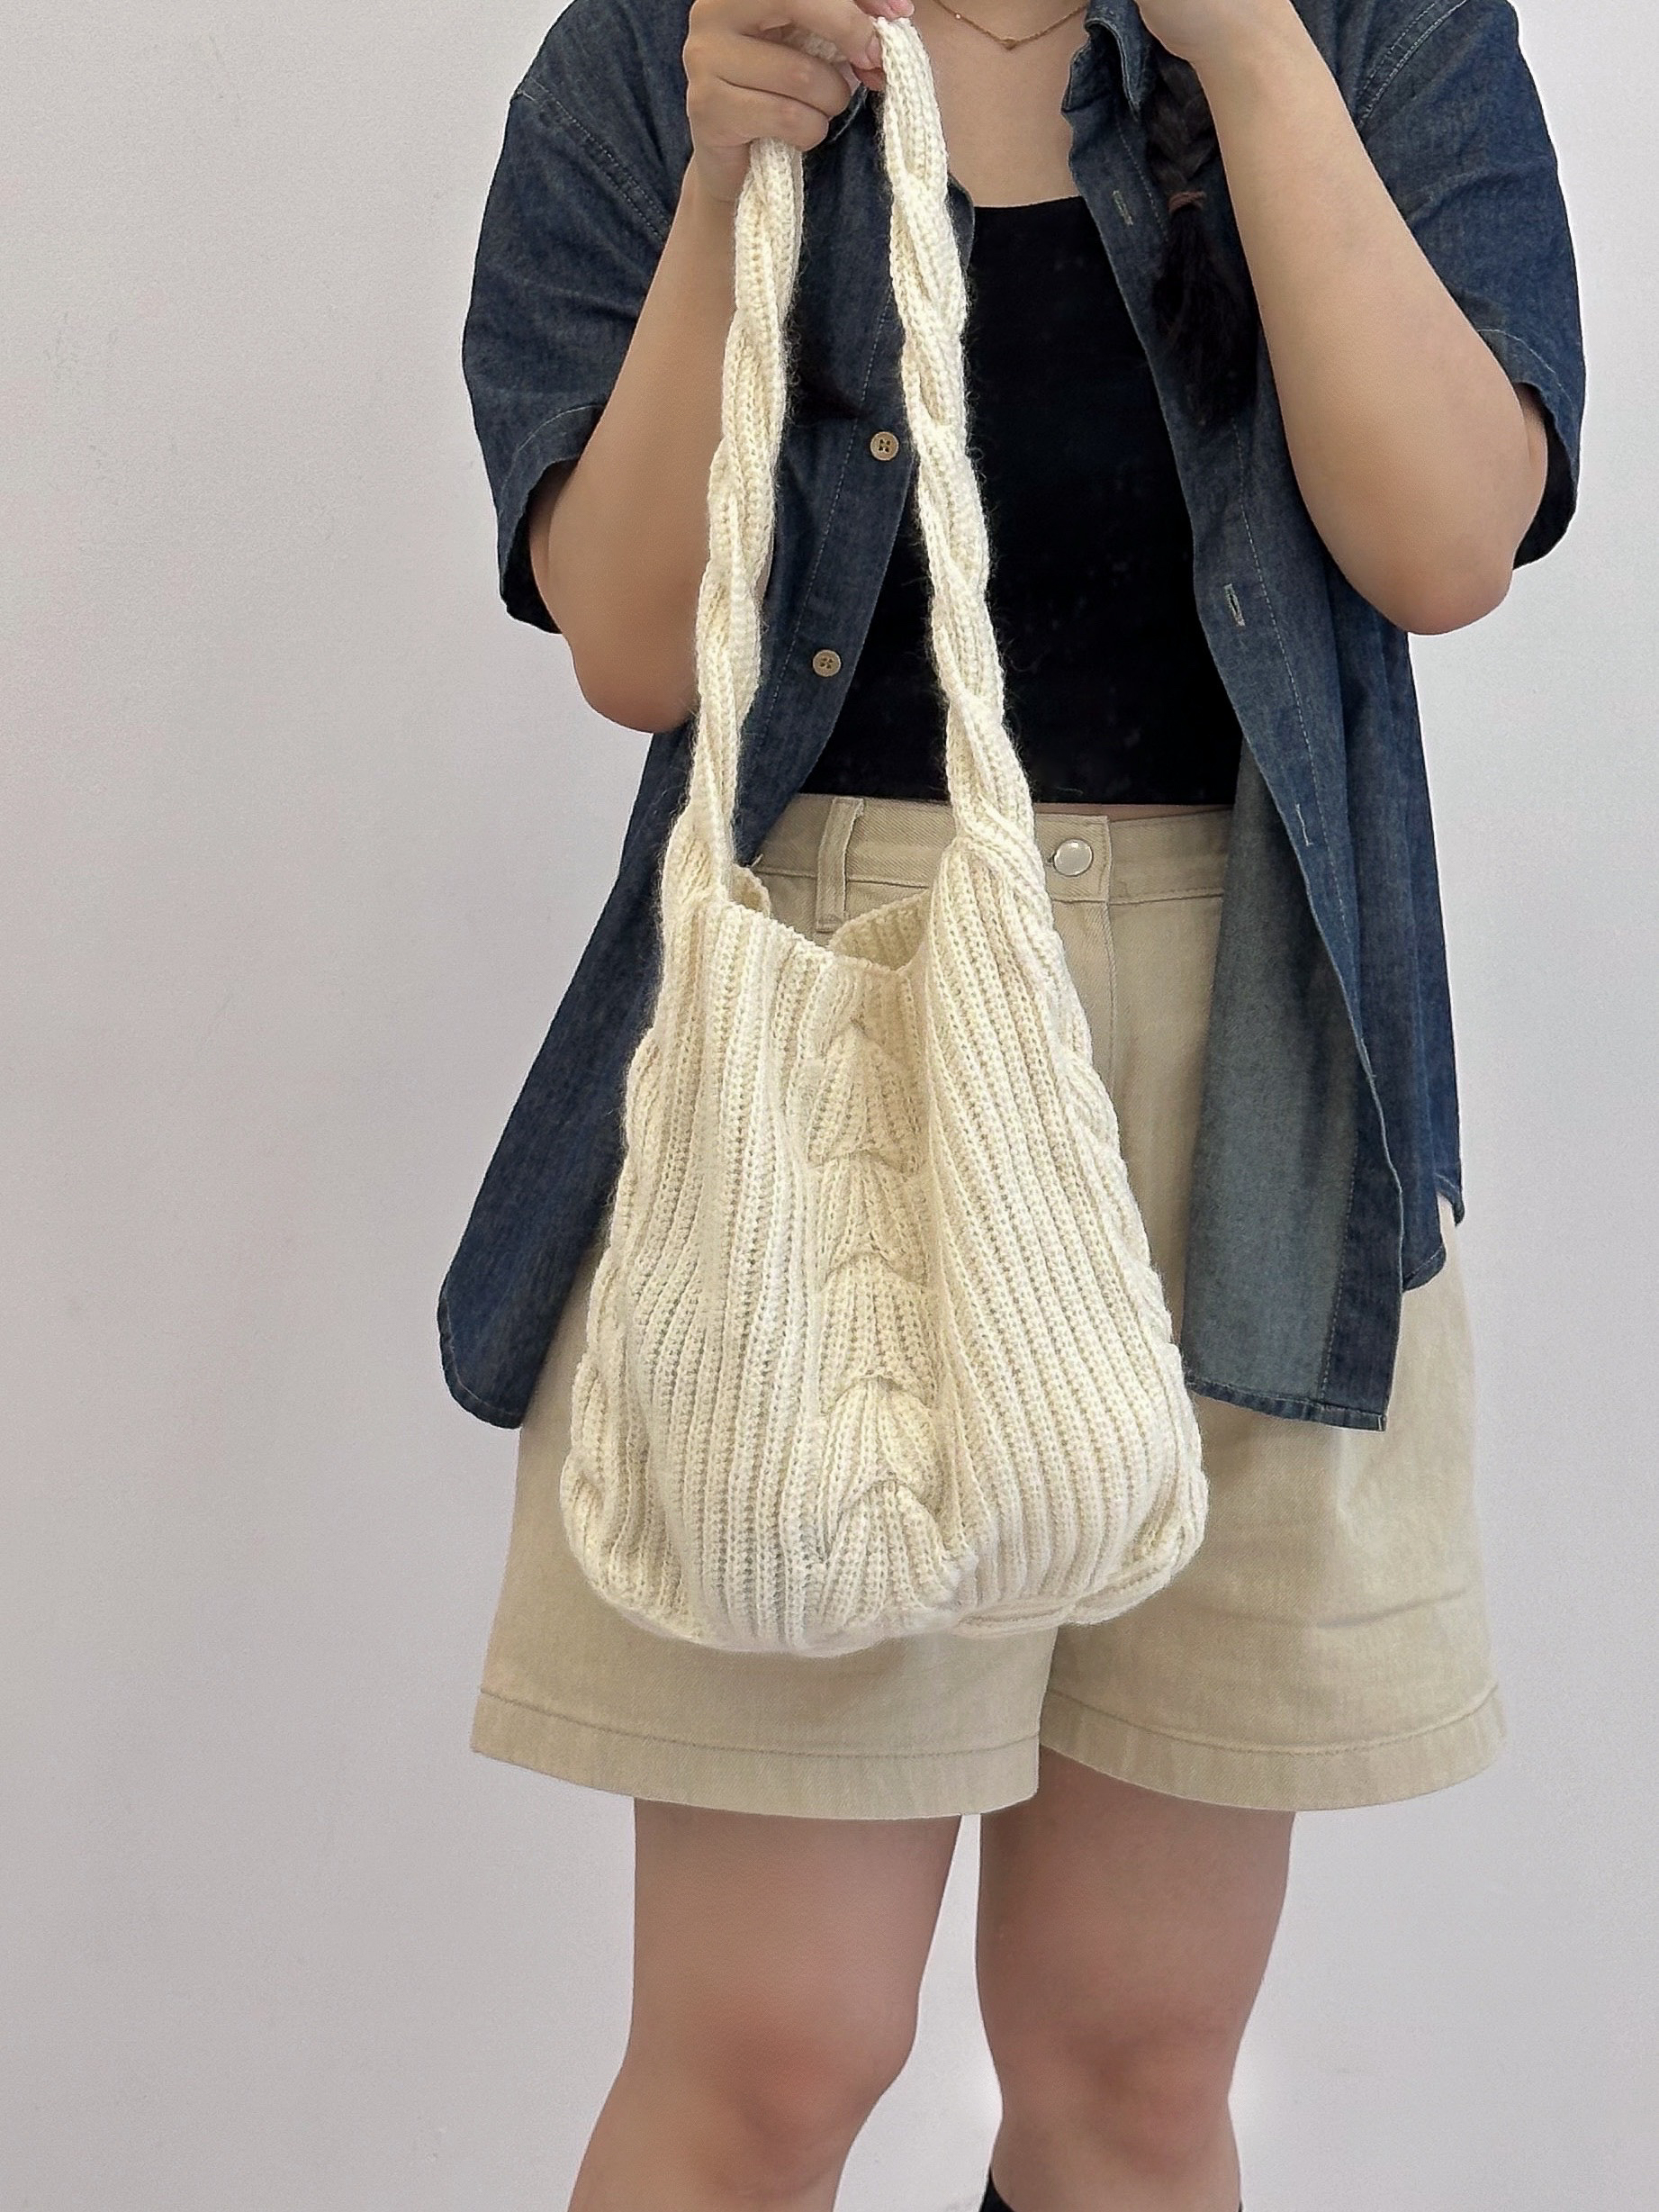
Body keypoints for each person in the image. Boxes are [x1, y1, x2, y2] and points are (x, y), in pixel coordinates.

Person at [444, 0, 1584, 2205]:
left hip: (1256, 1079)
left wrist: (1255, 61)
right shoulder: (667, 43)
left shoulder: (1379, 27)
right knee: (772, 2049)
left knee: (1131, 2067)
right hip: (825, 1080)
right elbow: (632, 643)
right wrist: (719, 175)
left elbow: (1446, 541)